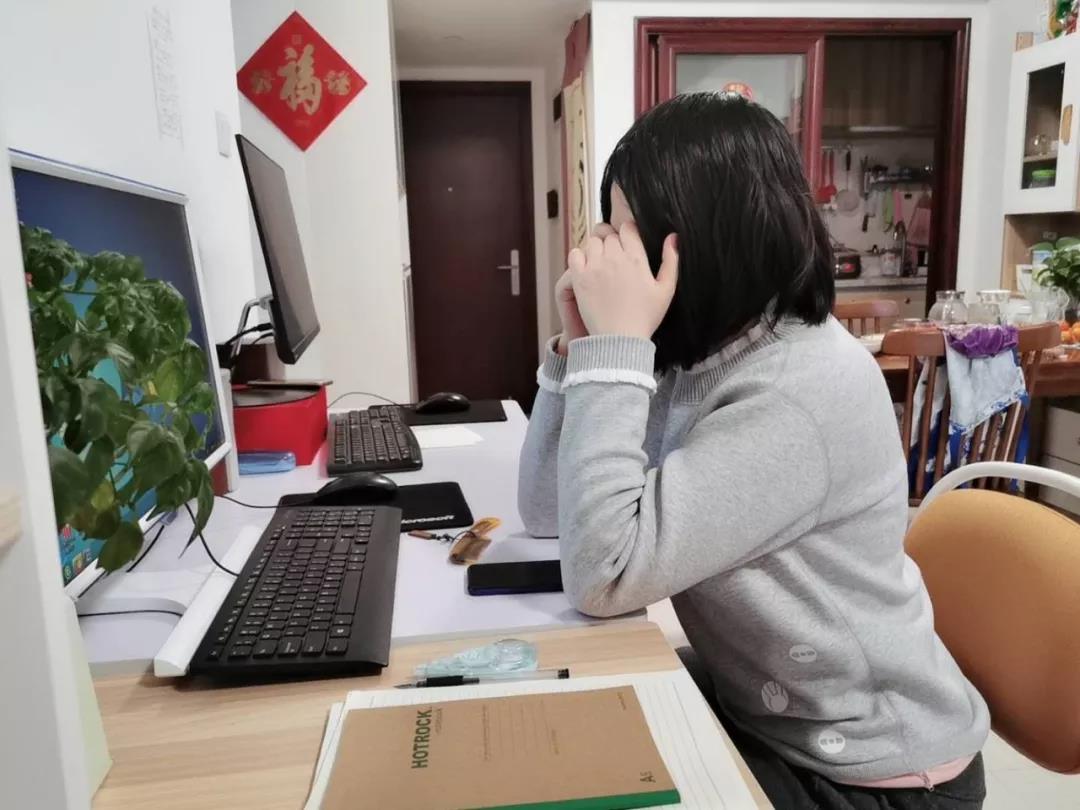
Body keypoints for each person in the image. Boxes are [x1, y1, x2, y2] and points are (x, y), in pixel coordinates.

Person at [518, 93, 988, 809]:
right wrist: (576, 349)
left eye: (625, 236)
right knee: (550, 731)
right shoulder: (689, 355)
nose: (603, 258)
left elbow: (603, 576)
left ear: (701, 240)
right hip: (767, 711)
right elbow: (549, 512)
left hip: (870, 770)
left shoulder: (798, 389)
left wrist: (614, 354)